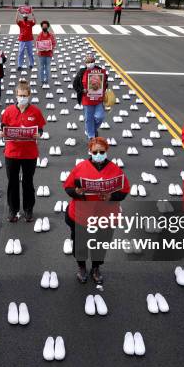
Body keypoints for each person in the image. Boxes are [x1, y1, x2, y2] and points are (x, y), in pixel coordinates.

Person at [63, 137, 130, 284]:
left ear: (106, 151)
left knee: (101, 243)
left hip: (105, 215)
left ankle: (96, 267)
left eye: (101, 151)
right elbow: (67, 187)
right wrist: (76, 192)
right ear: (90, 151)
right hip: (81, 214)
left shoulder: (115, 169)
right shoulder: (80, 167)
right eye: (95, 151)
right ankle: (81, 266)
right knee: (80, 243)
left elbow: (125, 190)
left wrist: (111, 196)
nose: (98, 154)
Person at [0, 80, 46, 222]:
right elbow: (3, 127)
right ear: (16, 95)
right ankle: (13, 210)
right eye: (20, 95)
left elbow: (41, 129)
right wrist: (2, 134)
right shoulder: (8, 111)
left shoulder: (36, 111)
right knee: (12, 182)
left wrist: (39, 134)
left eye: (25, 95)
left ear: (29, 95)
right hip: (12, 153)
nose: (22, 98)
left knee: (28, 182)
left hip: (29, 153)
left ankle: (28, 209)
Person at [73, 54, 108, 140]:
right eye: (88, 62)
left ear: (94, 62)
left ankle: (91, 129)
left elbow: (105, 83)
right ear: (85, 63)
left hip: (98, 99)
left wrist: (102, 87)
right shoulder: (82, 72)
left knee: (100, 117)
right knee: (89, 119)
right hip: (87, 100)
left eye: (91, 61)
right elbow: (75, 84)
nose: (90, 63)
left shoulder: (100, 71)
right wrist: (82, 90)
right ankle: (91, 137)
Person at [36, 20, 56, 87]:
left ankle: (46, 80)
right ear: (41, 27)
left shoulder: (51, 35)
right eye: (43, 26)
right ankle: (42, 80)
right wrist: (40, 48)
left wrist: (50, 48)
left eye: (46, 26)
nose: (44, 27)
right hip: (41, 54)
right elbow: (37, 44)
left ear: (47, 27)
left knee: (47, 67)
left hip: (48, 54)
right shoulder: (39, 35)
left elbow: (54, 43)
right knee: (41, 67)